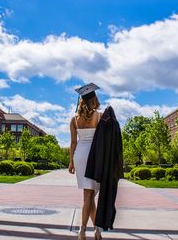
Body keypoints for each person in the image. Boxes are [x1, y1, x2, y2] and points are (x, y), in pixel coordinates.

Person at [69, 82, 103, 240]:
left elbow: (73, 143)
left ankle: (96, 230)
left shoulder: (74, 120)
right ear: (94, 99)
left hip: (80, 156)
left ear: (81, 101)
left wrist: (71, 162)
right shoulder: (100, 116)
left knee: (87, 196)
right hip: (94, 157)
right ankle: (83, 230)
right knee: (89, 196)